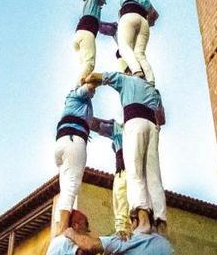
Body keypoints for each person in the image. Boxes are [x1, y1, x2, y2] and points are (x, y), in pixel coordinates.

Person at [83, 71, 166, 233]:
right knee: (154, 177)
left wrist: (84, 85)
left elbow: (95, 78)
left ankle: (141, 221)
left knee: (133, 176)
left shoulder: (125, 81)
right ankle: (160, 222)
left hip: (132, 137)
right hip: (151, 128)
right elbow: (161, 119)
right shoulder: (153, 90)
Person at [54, 83, 97, 234]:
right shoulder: (75, 94)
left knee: (65, 188)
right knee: (71, 186)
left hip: (63, 142)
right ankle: (64, 228)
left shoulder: (80, 107)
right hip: (73, 141)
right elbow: (90, 86)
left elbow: (96, 124)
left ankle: (62, 224)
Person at [103, 0, 159, 84]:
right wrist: (149, 22)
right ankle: (151, 80)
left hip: (128, 15)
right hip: (143, 21)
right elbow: (154, 14)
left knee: (124, 48)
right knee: (140, 54)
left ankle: (136, 71)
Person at [91, 116, 132, 238]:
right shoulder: (123, 129)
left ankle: (123, 234)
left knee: (121, 211)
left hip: (124, 172)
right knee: (122, 208)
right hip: (124, 172)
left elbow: (96, 125)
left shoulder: (119, 129)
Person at [73, 0, 107, 82]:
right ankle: (76, 89)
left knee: (84, 66)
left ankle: (81, 85)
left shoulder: (96, 10)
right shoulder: (92, 0)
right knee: (89, 65)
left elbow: (101, 27)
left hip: (79, 36)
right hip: (87, 34)